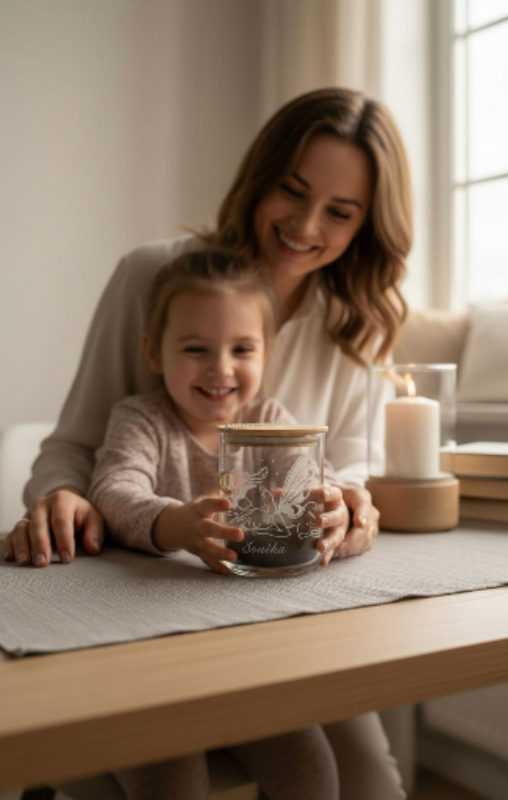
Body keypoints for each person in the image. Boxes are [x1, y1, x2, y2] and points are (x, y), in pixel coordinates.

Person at [4, 87, 411, 799]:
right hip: (138, 611)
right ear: (260, 177)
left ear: (365, 226)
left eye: (340, 212)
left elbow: (351, 468)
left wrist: (349, 505)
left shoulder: (352, 323)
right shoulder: (154, 277)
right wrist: (62, 496)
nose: (305, 224)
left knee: (366, 779)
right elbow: (75, 447)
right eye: (292, 190)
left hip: (273, 619)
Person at [89, 247, 344, 800]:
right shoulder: (141, 419)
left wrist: (336, 505)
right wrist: (176, 523)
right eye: (196, 348)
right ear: (154, 353)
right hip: (148, 664)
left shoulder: (271, 423)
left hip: (252, 659)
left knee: (311, 769)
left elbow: (320, 479)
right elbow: (112, 490)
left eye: (242, 349)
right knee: (173, 783)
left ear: (267, 353)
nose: (220, 368)